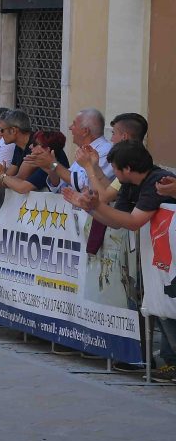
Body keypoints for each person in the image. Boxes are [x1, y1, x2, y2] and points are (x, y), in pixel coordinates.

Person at [62, 140, 176, 383]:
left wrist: (96, 205)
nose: (112, 173)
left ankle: (171, 360)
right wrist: (91, 209)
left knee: (167, 307)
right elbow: (117, 221)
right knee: (160, 306)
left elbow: (134, 222)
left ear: (127, 169)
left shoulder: (156, 181)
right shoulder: (129, 184)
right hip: (158, 260)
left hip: (168, 259)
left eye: (114, 168)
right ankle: (170, 362)